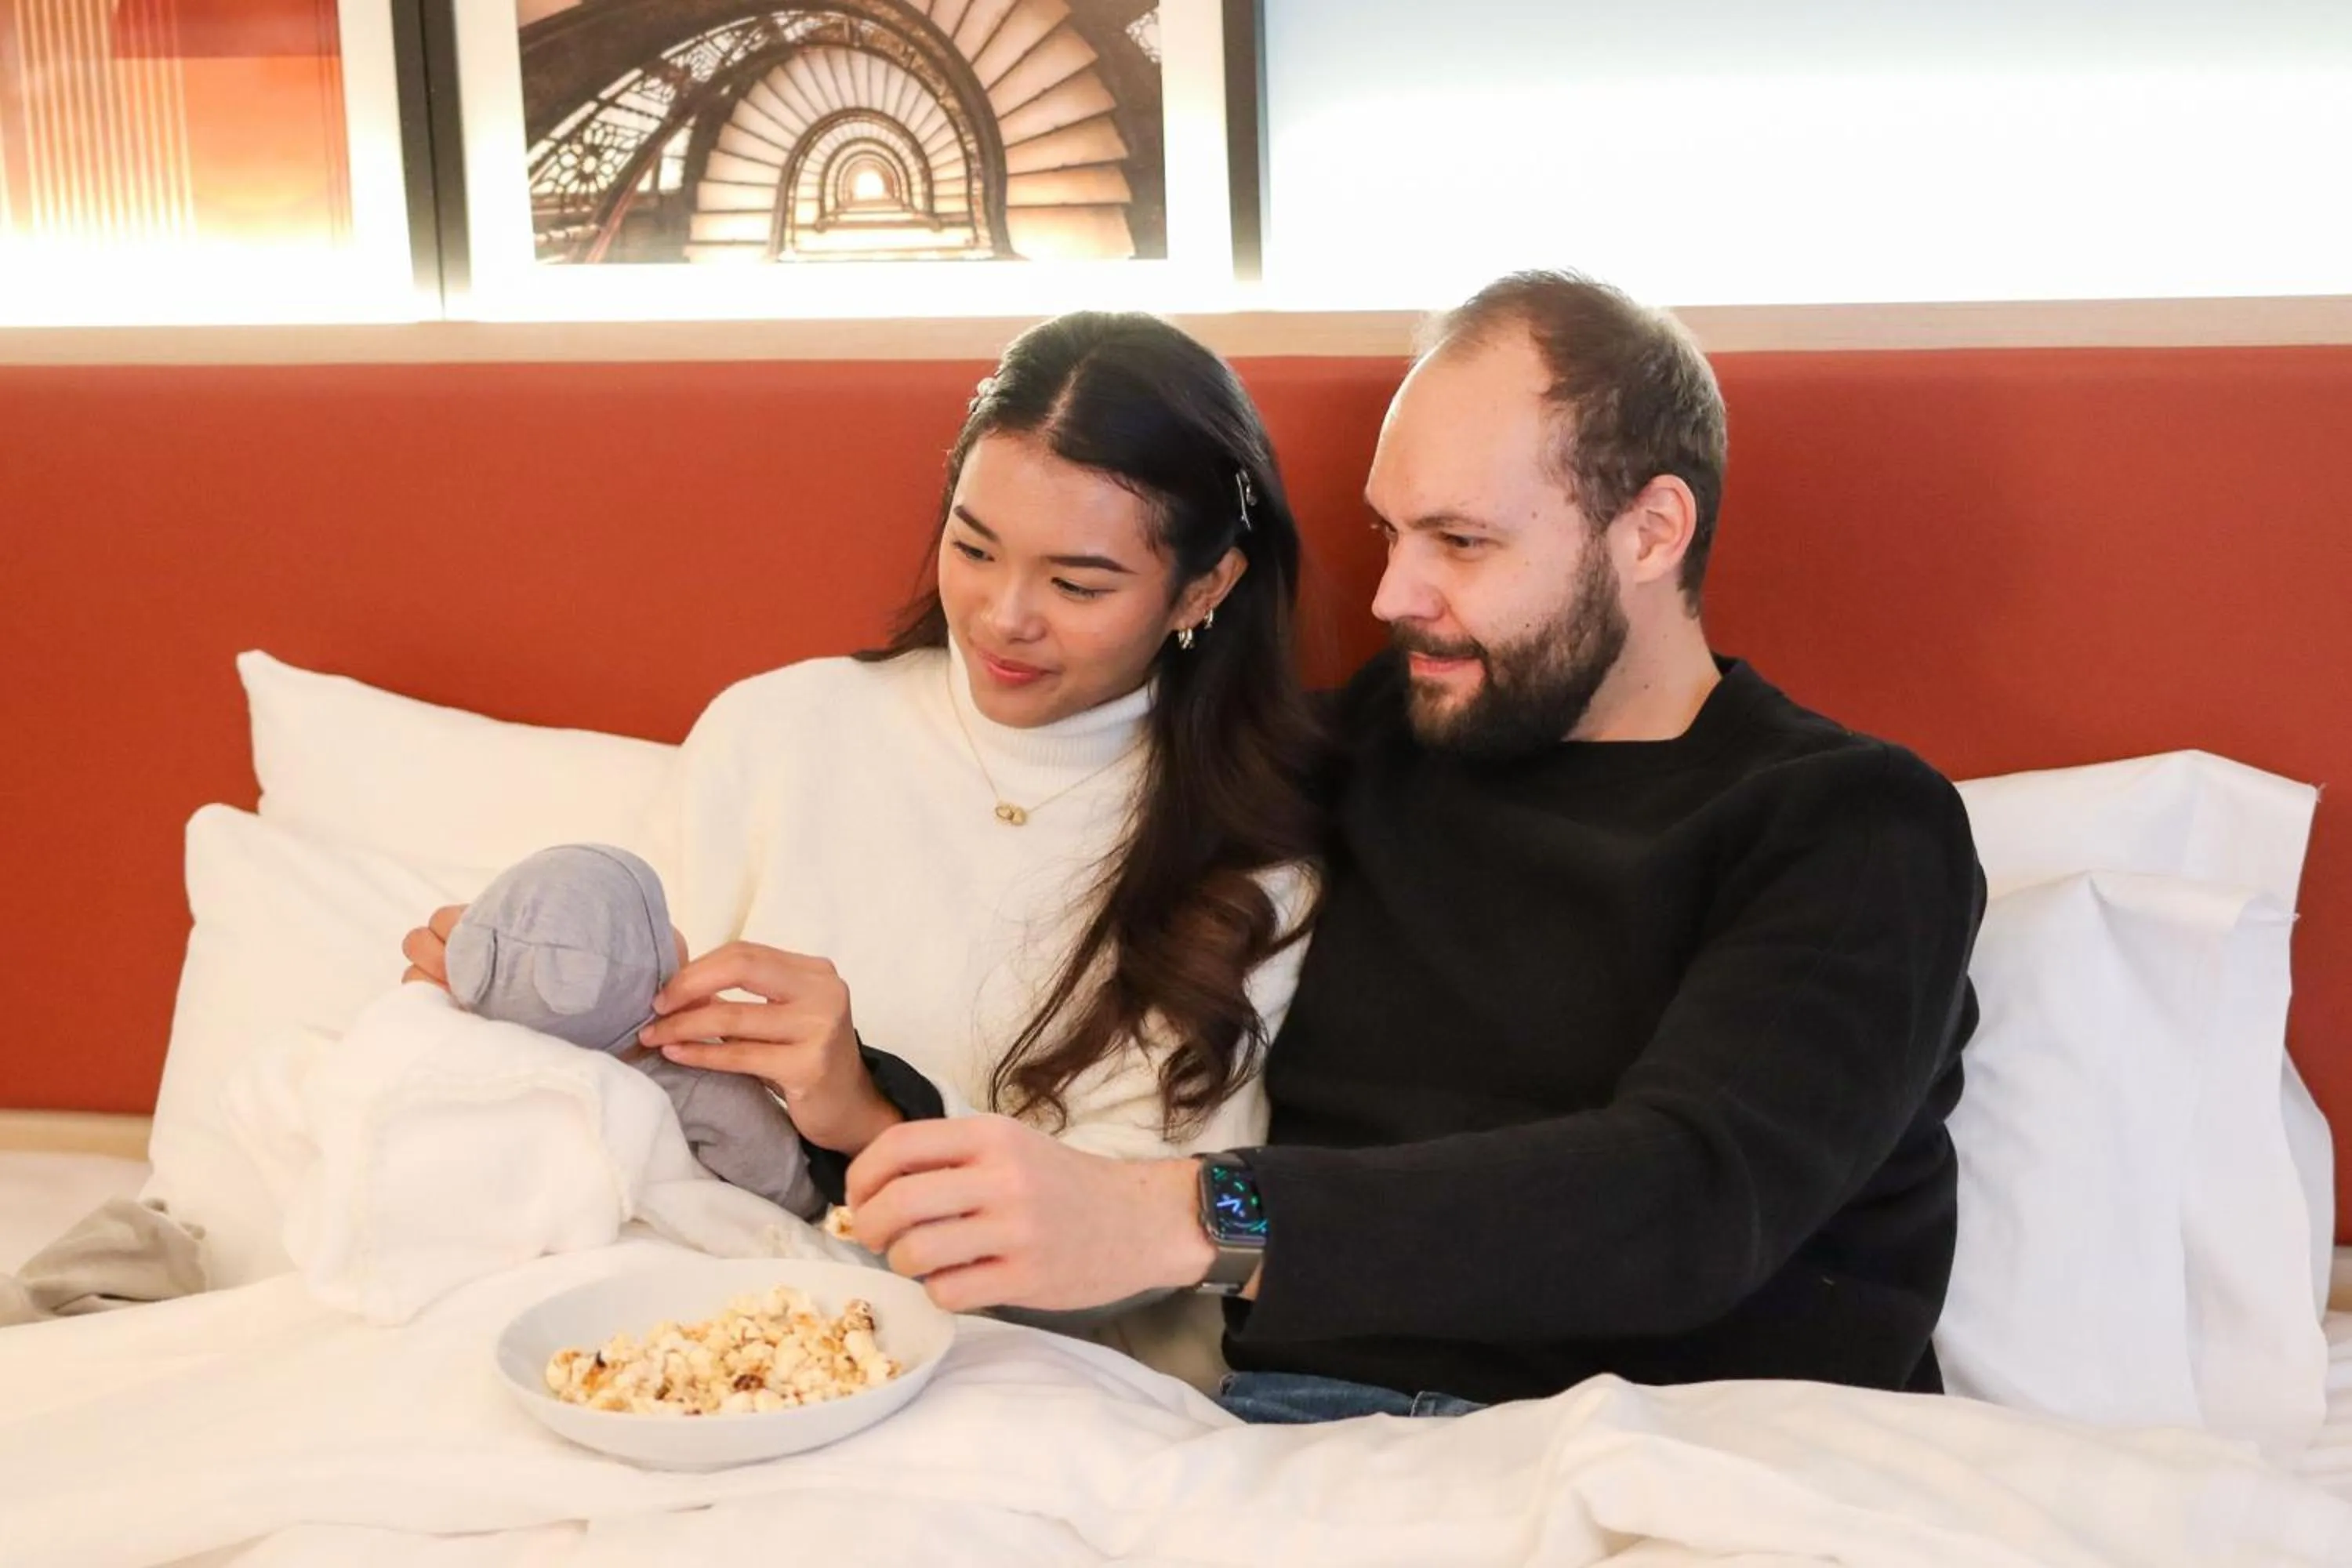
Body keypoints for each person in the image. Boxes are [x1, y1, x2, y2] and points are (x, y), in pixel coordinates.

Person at [840, 270, 1987, 1421]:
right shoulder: (1371, 744)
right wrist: (855, 1098)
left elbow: (1691, 1199)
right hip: (1303, 1429)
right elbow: (1068, 809)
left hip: (1694, 1446)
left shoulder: (1854, 824)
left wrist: (1186, 1218)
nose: (1393, 593)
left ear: (1651, 532)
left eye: (1462, 541)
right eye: (1391, 532)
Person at [401, 310, 1323, 1385]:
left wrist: (868, 1113)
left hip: (1040, 1380)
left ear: (1205, 589)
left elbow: (1137, 1262)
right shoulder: (779, 731)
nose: (1003, 617)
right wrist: (514, 1010)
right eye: (973, 548)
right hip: (713, 1334)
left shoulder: (1250, 858)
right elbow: (620, 1080)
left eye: (1077, 586)